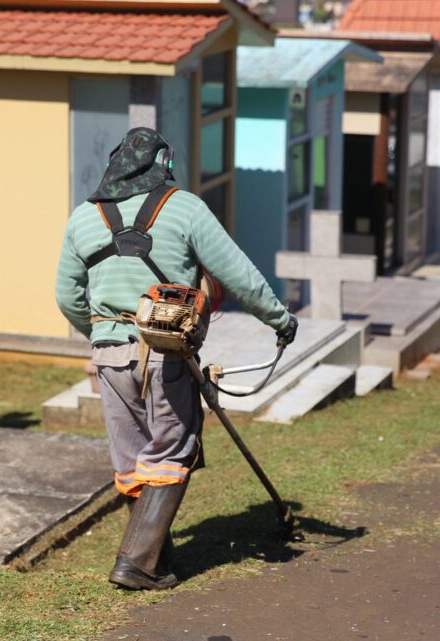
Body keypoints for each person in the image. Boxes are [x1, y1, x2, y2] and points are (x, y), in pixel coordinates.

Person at [55, 128, 298, 590]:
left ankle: (157, 559)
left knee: (132, 460)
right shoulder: (184, 207)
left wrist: (102, 334)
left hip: (109, 356)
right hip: (166, 353)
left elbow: (66, 295)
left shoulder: (83, 217)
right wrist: (279, 319)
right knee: (173, 449)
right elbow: (236, 272)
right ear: (163, 163)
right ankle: (137, 563)